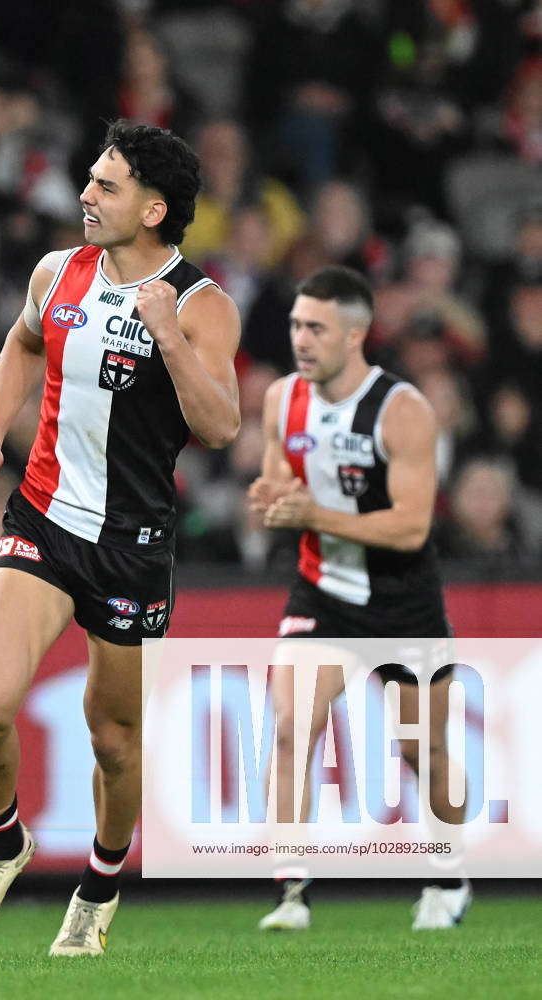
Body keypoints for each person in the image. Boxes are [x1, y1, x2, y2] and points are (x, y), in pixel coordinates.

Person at [0, 120, 240, 956]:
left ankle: (100, 887)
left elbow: (219, 426)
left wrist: (170, 337)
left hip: (131, 544)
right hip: (41, 517)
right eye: (90, 179)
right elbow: (23, 338)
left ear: (153, 209)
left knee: (112, 737)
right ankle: (5, 844)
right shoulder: (57, 271)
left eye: (105, 186)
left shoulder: (200, 304)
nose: (85, 195)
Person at [248, 266, 471, 932]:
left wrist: (311, 513)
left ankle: (447, 874)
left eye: (314, 327)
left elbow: (410, 526)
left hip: (402, 602)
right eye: (294, 324)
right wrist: (270, 496)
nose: (300, 339)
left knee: (421, 752)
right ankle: (290, 892)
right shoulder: (279, 399)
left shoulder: (402, 410)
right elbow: (273, 476)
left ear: (354, 334)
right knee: (290, 728)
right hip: (320, 593)